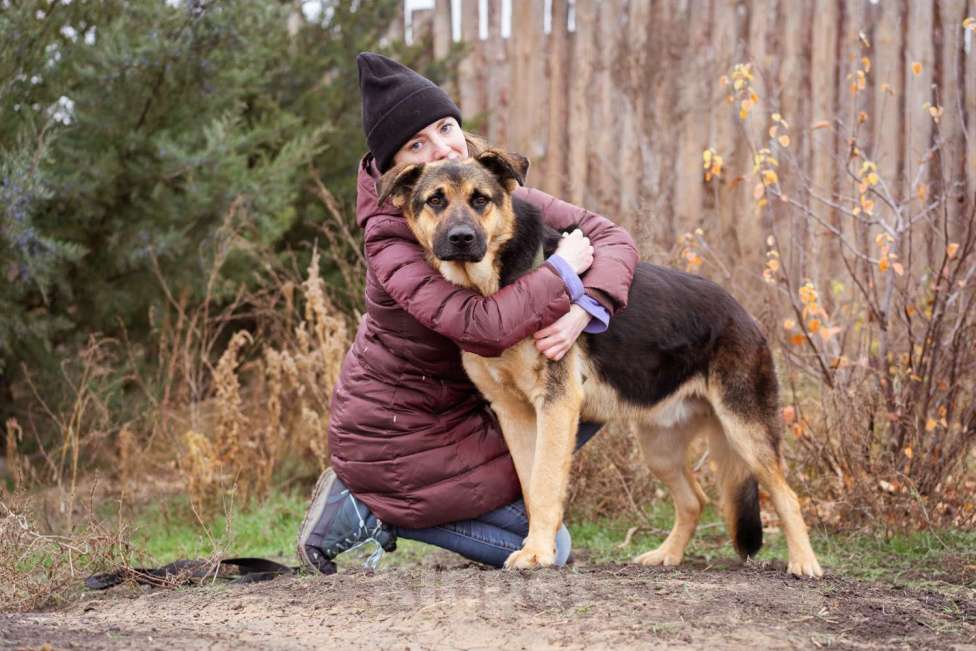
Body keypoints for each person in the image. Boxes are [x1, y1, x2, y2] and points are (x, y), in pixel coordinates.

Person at [297, 52, 639, 573]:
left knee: (578, 396)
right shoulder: (391, 235)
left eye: (446, 127)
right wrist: (564, 273)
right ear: (395, 172)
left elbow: (610, 236)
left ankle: (408, 506)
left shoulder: (481, 186)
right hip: (400, 438)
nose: (441, 147)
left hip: (469, 415)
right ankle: (370, 507)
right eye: (417, 144)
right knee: (552, 548)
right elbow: (482, 326)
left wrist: (588, 307)